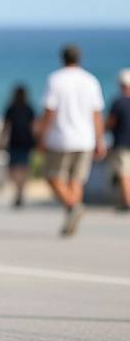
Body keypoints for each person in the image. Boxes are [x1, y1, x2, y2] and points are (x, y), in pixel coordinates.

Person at [39, 45, 106, 236]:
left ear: (62, 58)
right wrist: (100, 140)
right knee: (76, 180)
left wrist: (42, 136)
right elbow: (97, 114)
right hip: (85, 139)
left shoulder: (55, 80)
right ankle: (72, 213)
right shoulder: (91, 81)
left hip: (60, 137)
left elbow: (49, 111)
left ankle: (73, 206)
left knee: (52, 176)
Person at [1, 85, 36, 207]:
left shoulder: (11, 108)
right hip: (27, 141)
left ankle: (18, 189)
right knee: (24, 166)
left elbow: (6, 126)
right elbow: (33, 126)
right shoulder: (29, 108)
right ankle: (21, 189)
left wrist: (2, 140)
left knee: (13, 167)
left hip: (14, 140)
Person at [106, 69, 130, 211]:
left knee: (124, 174)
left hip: (123, 143)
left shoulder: (118, 102)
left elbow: (110, 123)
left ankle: (127, 202)